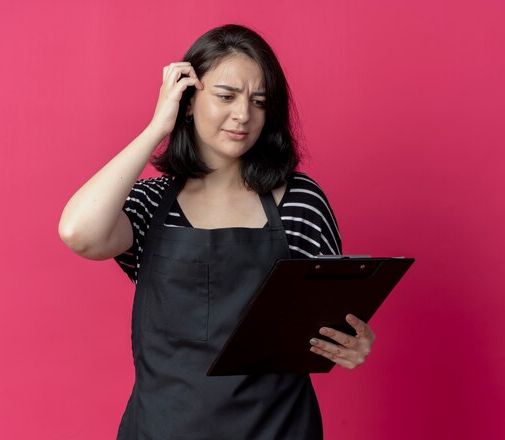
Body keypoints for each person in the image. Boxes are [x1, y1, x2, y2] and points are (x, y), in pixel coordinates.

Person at [59, 24, 375, 440]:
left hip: (277, 429)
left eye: (258, 102)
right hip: (161, 429)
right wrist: (157, 126)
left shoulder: (301, 201)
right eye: (226, 97)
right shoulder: (151, 204)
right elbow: (79, 232)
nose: (243, 115)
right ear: (188, 102)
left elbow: (327, 317)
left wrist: (353, 342)